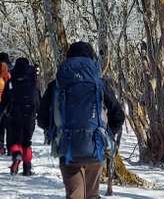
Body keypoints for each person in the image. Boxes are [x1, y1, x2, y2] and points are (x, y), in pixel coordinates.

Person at [38, 41, 125, 199]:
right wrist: (107, 134)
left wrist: (52, 132)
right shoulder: (100, 84)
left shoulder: (56, 85)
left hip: (67, 146)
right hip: (95, 145)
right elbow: (118, 114)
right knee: (92, 195)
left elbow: (41, 119)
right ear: (92, 59)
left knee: (75, 195)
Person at [0, 57, 40, 175]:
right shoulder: (33, 81)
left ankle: (16, 155)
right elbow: (37, 99)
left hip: (14, 114)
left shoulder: (11, 81)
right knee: (27, 141)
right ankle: (27, 168)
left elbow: (4, 99)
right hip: (30, 115)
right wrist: (39, 113)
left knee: (15, 140)